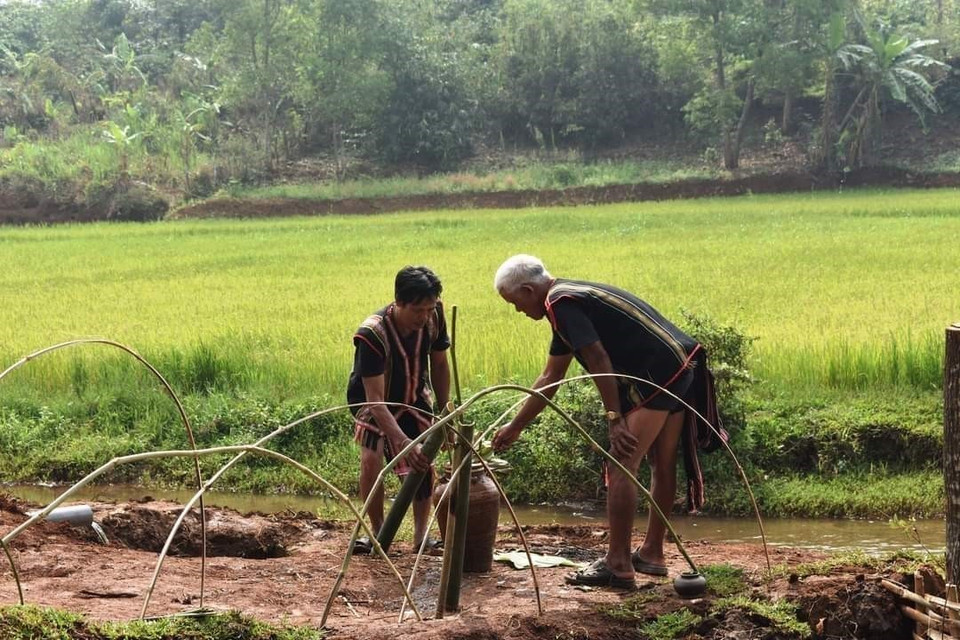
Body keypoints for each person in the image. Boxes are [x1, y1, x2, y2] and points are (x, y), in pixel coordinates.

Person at [491, 255, 725, 589]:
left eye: (515, 302)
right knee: (661, 462)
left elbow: (598, 358)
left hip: (658, 374)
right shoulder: (568, 301)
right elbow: (551, 376)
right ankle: (652, 553)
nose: (518, 310)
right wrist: (516, 426)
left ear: (528, 290)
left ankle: (618, 564)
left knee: (621, 463)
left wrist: (614, 418)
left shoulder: (561, 303)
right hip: (679, 364)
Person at [347, 265, 451, 554]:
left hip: (414, 395)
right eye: (417, 310)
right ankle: (378, 532)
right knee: (371, 459)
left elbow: (440, 364)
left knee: (423, 462)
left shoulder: (435, 315)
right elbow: (375, 401)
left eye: (429, 309)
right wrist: (403, 442)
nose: (424, 317)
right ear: (399, 302)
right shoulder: (373, 334)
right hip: (373, 402)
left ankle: (421, 537)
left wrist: (446, 414)